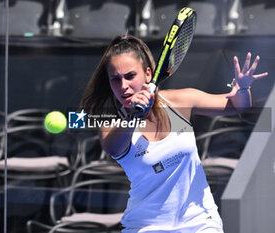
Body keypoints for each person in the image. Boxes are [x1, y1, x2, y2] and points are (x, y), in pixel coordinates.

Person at [79, 35, 268, 233]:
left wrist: (243, 88)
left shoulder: (179, 101)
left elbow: (237, 106)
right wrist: (134, 116)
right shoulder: (111, 125)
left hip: (201, 223)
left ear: (148, 74)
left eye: (130, 76)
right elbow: (114, 147)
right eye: (115, 79)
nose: (123, 86)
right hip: (146, 226)